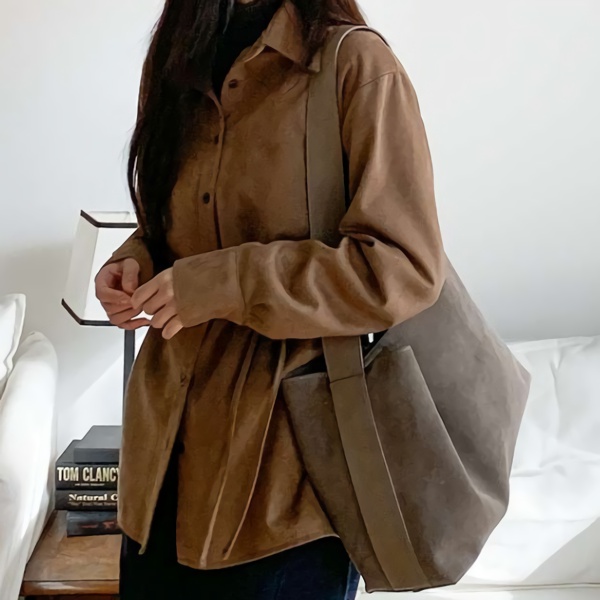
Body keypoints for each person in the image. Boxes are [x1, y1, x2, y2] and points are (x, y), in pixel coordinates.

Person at [94, 0, 445, 598]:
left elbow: (402, 267)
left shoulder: (354, 64)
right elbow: (176, 223)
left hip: (286, 486)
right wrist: (137, 260)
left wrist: (226, 283)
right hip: (159, 471)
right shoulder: (180, 56)